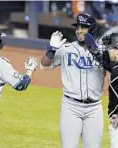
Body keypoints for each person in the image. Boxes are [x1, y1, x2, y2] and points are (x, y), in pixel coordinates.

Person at [40, 13, 105, 148]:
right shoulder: (66, 49)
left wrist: (95, 51)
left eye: (84, 27)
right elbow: (44, 64)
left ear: (92, 29)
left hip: (94, 108)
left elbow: (112, 67)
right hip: (71, 107)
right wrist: (51, 50)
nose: (79, 30)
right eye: (78, 27)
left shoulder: (103, 50)